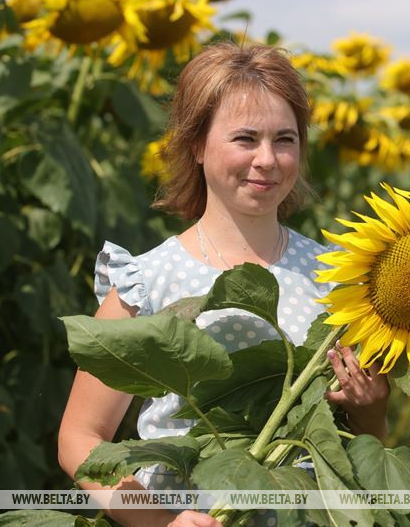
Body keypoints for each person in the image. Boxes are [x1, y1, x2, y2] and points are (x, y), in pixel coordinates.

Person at [57, 42, 390, 527]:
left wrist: (371, 410)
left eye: (285, 139)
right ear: (196, 144)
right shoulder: (147, 280)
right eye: (245, 138)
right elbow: (80, 438)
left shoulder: (335, 279)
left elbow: (359, 450)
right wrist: (160, 523)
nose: (267, 159)